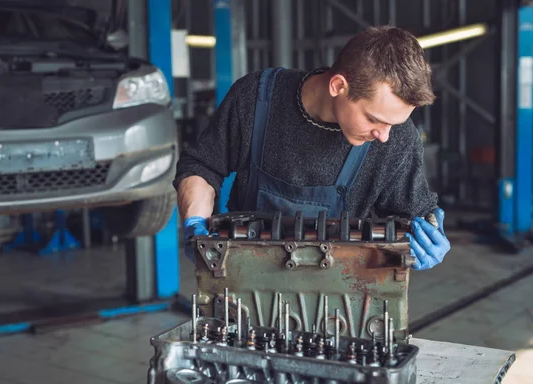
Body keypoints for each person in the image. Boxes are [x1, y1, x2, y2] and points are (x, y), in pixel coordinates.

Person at [173, 25, 450, 271]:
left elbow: (413, 214)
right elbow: (202, 165)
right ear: (338, 86)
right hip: (246, 282)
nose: (384, 137)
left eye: (395, 124)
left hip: (342, 297)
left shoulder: (397, 137)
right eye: (374, 120)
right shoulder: (256, 100)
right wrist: (195, 224)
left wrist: (429, 235)